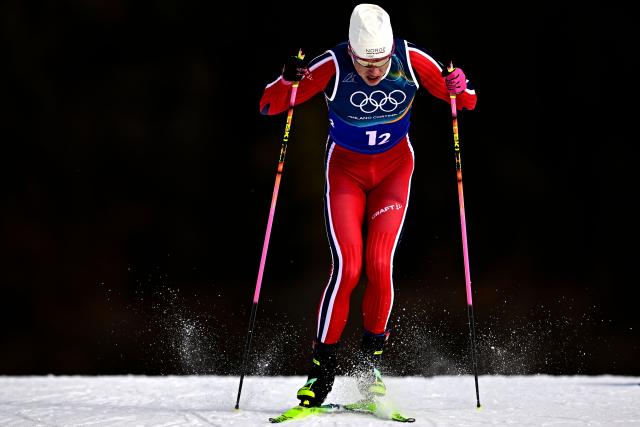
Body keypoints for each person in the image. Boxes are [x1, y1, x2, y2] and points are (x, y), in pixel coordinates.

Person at [259, 3, 477, 407]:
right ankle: (320, 375)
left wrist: (460, 87)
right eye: (364, 64)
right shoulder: (332, 64)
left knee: (379, 265)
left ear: (390, 50)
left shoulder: (411, 60)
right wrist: (285, 80)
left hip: (394, 171)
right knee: (348, 268)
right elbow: (270, 105)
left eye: (380, 63)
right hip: (345, 173)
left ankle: (370, 369)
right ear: (352, 53)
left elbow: (464, 102)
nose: (374, 72)